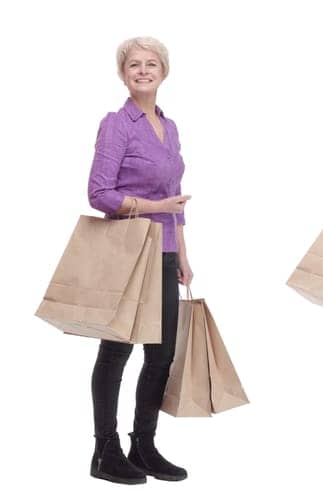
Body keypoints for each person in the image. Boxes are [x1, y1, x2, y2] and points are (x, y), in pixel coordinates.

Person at [85, 35, 194, 486]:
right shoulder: (117, 124)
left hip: (165, 252)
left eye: (152, 64)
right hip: (130, 252)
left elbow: (176, 201)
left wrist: (185, 256)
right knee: (117, 351)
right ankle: (104, 450)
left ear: (163, 72)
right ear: (123, 74)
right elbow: (99, 194)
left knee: (162, 355)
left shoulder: (169, 128)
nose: (143, 70)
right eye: (134, 65)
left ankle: (143, 445)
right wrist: (155, 209)